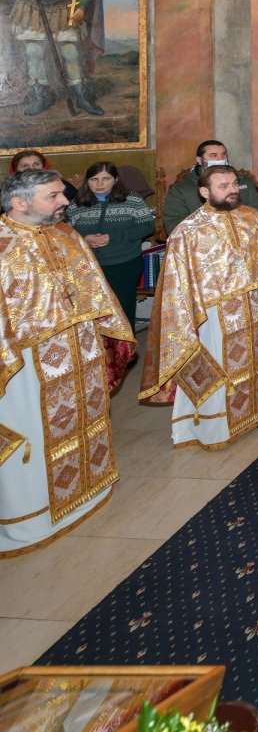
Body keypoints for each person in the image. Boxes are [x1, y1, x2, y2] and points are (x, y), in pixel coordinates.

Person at [0, 168, 135, 556]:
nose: (64, 202)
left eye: (63, 194)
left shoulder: (66, 235)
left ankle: (89, 489)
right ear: (19, 202)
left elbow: (95, 290)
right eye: (54, 196)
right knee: (37, 434)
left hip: (81, 352)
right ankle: (34, 515)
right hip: (27, 368)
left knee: (85, 421)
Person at [140, 165, 258, 449]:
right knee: (220, 364)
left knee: (255, 360)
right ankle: (215, 424)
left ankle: (256, 410)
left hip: (252, 303)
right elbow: (176, 284)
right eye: (223, 186)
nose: (232, 190)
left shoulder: (251, 217)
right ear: (204, 192)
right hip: (212, 312)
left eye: (234, 184)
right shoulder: (188, 231)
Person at [1, 0, 105, 116]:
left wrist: (81, 7)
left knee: (70, 52)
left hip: (64, 5)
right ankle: (40, 95)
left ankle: (80, 96)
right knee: (34, 52)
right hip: (31, 5)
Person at [66, 161, 156, 332]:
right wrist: (84, 239)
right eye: (94, 179)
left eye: (105, 179)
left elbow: (147, 226)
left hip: (124, 263)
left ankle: (125, 352)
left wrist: (113, 237)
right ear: (87, 181)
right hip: (87, 266)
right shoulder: (76, 204)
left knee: (122, 310)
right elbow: (65, 231)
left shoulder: (133, 200)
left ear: (115, 179)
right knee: (93, 311)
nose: (99, 184)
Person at [163, 140, 258, 233]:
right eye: (214, 155)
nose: (220, 159)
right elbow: (174, 224)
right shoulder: (181, 190)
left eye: (223, 154)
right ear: (199, 160)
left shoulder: (243, 181)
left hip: (242, 236)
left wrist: (236, 230)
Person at [7, 148, 77, 200]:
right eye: (25, 166)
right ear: (16, 170)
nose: (32, 168)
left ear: (44, 167)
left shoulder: (62, 186)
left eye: (36, 164)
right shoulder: (9, 190)